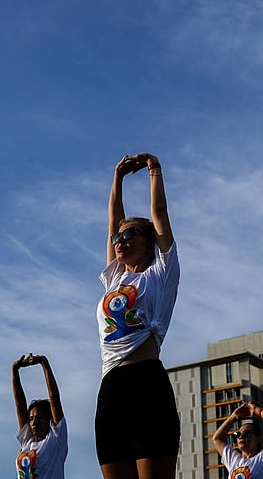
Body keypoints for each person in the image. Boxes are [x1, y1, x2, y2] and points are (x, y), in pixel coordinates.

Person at [96, 153, 180, 479]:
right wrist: (117, 178)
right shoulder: (115, 278)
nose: (121, 241)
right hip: (111, 387)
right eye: (118, 238)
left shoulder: (161, 272)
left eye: (130, 235)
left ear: (149, 244)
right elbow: (112, 222)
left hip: (147, 383)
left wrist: (154, 170)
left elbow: (159, 214)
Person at [12, 353, 68, 479]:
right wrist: (15, 370)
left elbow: (54, 398)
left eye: (39, 418)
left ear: (49, 419)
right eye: (31, 419)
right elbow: (20, 407)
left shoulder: (56, 438)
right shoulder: (27, 441)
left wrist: (44, 363)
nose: (34, 423)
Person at [211, 401, 263, 479]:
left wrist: (256, 410)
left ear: (257, 439)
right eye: (238, 434)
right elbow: (217, 439)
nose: (241, 437)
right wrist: (233, 417)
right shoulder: (233, 460)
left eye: (246, 433)